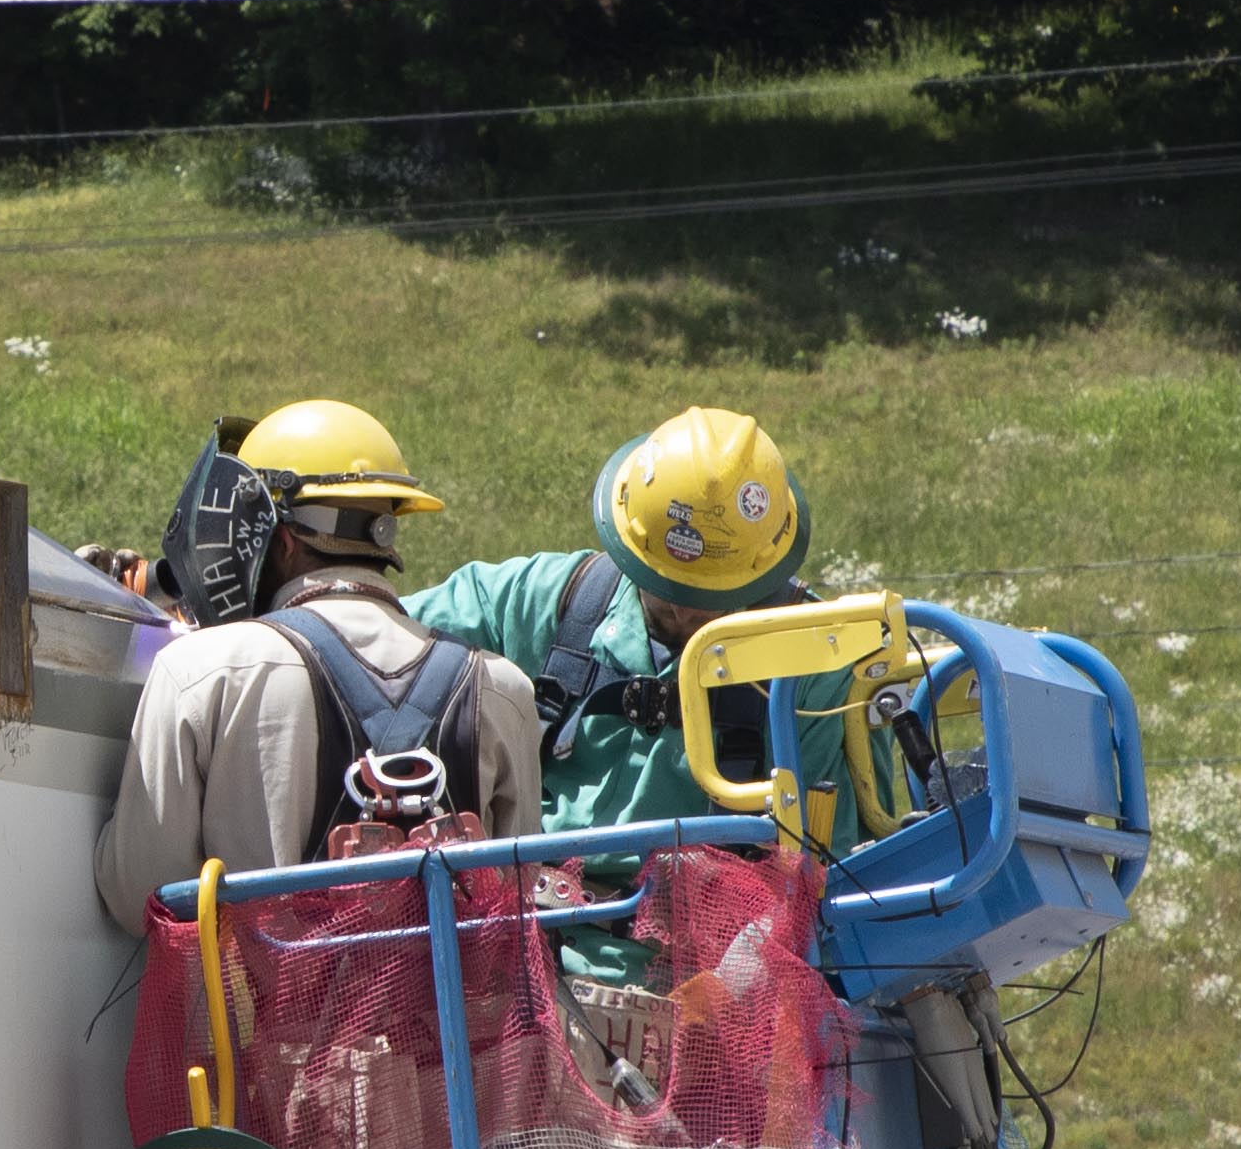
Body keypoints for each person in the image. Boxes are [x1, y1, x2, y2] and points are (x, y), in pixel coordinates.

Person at [92, 400, 542, 935]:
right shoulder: (502, 688)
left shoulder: (201, 671)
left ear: (276, 540)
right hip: (450, 1020)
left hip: (255, 1017)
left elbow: (139, 895)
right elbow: (519, 905)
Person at [407, 404, 822, 837]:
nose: (683, 611)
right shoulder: (547, 597)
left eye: (711, 594)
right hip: (538, 888)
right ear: (630, 548)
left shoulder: (812, 659)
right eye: (662, 586)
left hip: (713, 899)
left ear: (763, 569)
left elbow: (835, 858)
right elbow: (376, 629)